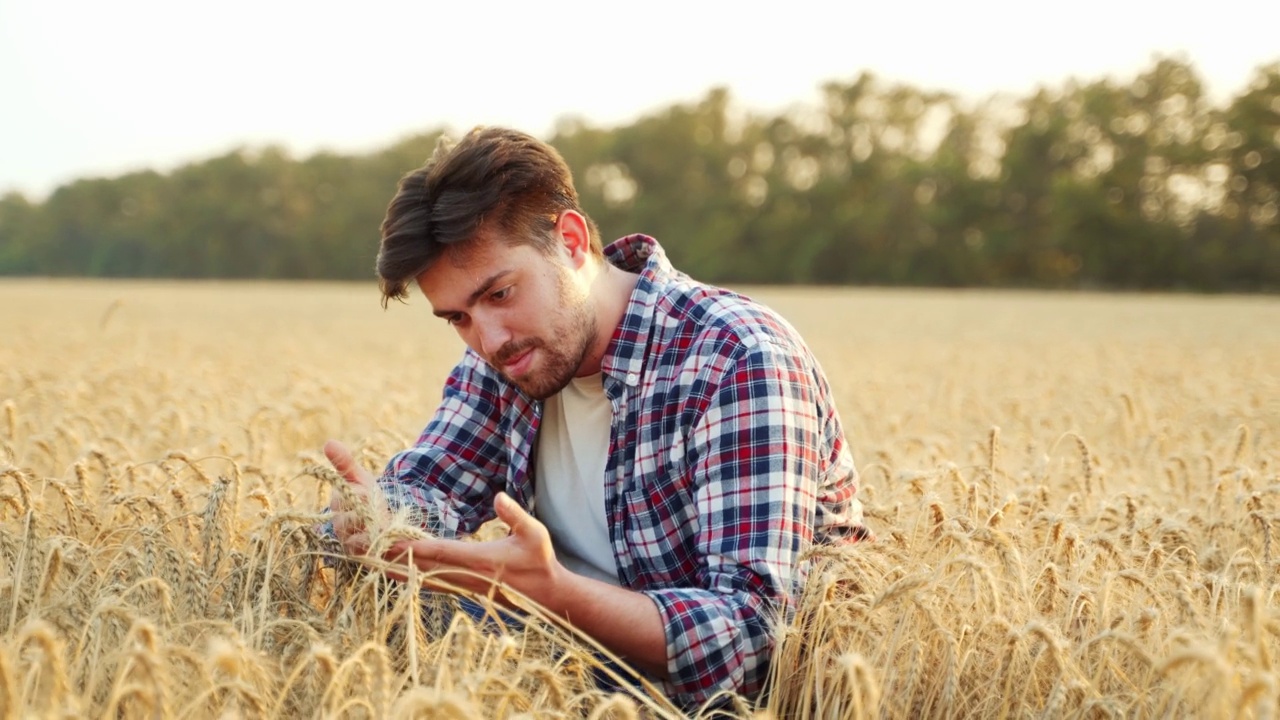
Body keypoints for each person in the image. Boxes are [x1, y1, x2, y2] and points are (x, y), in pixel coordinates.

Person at [324, 126, 871, 708]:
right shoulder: (505, 359)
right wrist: (377, 514)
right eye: (456, 317)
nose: (487, 339)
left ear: (572, 241)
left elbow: (758, 636)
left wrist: (552, 594)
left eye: (500, 294)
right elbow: (435, 487)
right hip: (561, 678)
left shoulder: (737, 357)